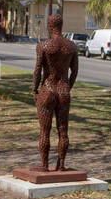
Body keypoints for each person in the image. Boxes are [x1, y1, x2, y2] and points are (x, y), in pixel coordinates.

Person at [31, 13, 80, 171]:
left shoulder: (43, 46)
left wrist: (34, 89)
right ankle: (61, 165)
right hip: (63, 89)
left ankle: (44, 165)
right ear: (61, 26)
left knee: (45, 130)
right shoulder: (71, 46)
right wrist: (67, 87)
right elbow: (75, 71)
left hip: (48, 88)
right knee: (63, 130)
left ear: (49, 26)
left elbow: (38, 70)